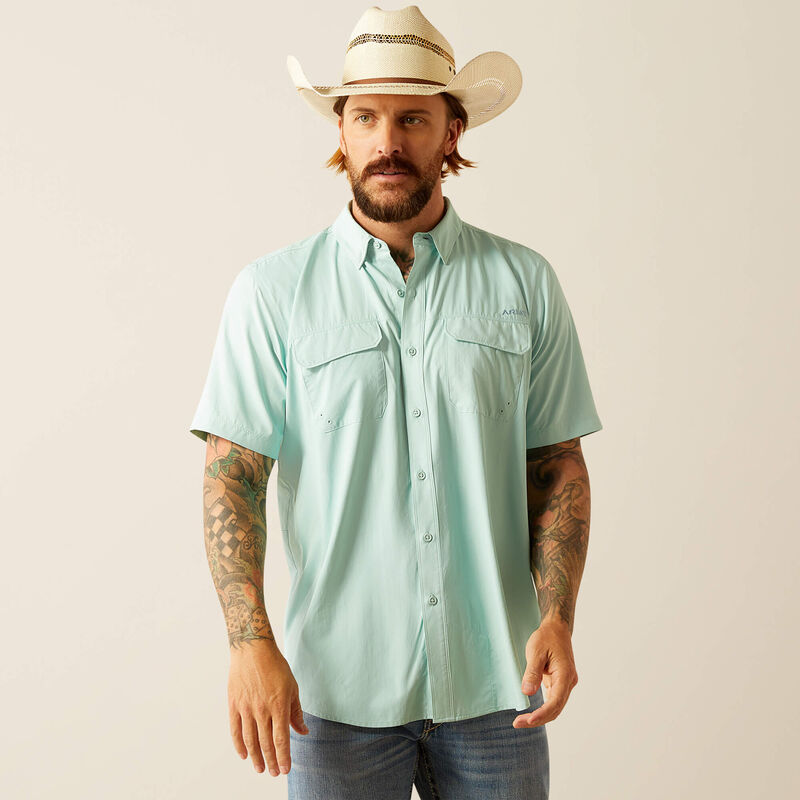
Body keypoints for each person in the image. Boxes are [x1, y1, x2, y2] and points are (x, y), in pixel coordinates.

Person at [189, 5, 602, 798]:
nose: (388, 141)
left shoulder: (525, 282)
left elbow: (555, 465)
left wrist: (557, 617)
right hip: (332, 699)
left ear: (451, 132)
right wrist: (249, 642)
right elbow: (232, 477)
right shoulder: (272, 293)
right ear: (341, 132)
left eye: (412, 118)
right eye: (366, 117)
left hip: (499, 691)